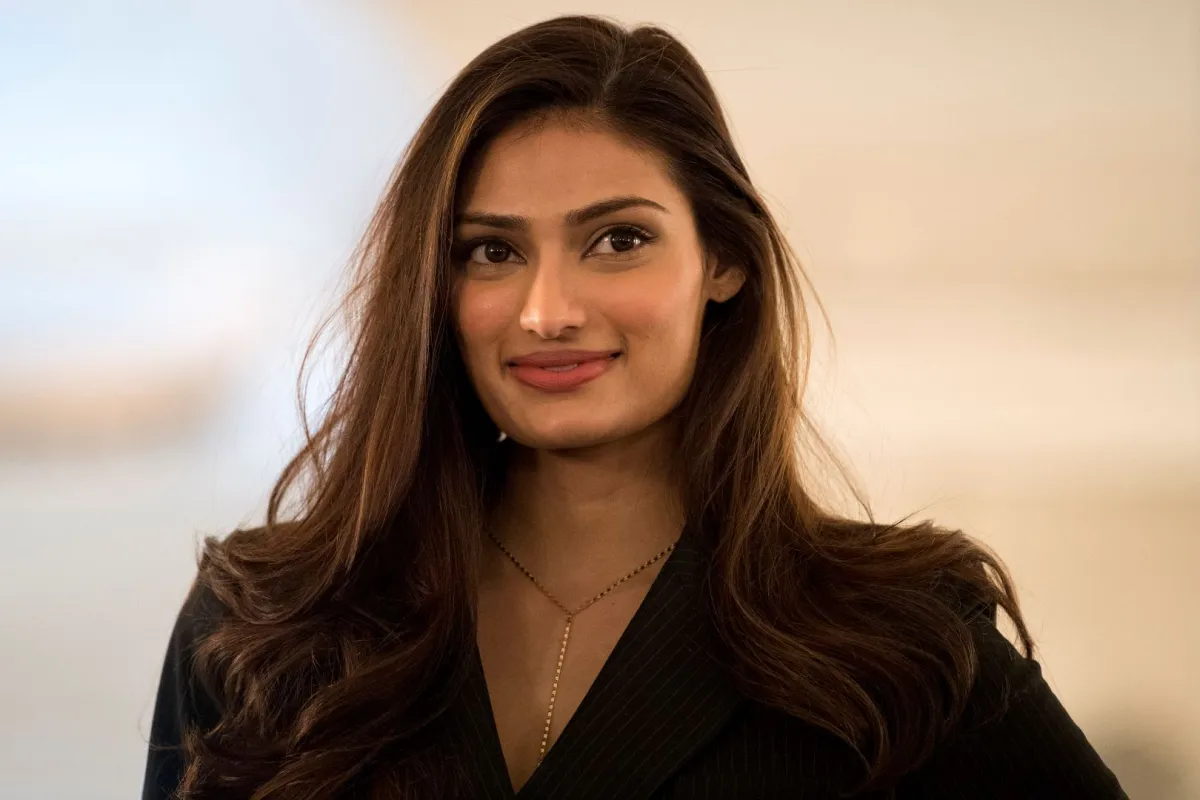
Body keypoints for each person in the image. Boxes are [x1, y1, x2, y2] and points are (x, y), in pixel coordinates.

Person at [142, 14, 1126, 800]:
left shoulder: (903, 644)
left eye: (617, 240)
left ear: (725, 261)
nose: (548, 310)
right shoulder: (262, 627)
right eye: (492, 250)